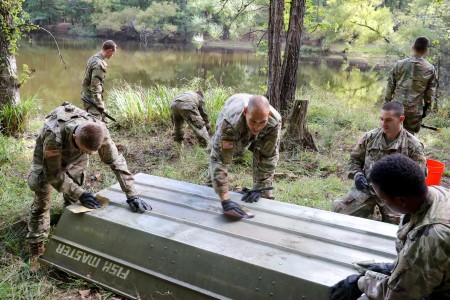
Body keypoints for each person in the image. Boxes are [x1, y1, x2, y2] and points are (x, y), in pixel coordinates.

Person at [27, 103, 150, 269]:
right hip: (48, 162)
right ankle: (36, 247)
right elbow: (53, 174)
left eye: (91, 153)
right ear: (76, 139)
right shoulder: (53, 136)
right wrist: (82, 193)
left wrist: (132, 193)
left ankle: (69, 226)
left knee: (75, 198)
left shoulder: (100, 130)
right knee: (42, 200)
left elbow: (116, 161)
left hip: (75, 156)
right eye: (86, 150)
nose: (89, 155)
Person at [330, 154, 450, 300]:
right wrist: (394, 267)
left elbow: (399, 296)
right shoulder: (439, 193)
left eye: (382, 199)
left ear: (402, 200)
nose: (382, 202)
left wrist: (360, 283)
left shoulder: (431, 236)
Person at [331, 102, 427, 224]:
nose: (383, 124)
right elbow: (354, 159)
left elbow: (418, 177)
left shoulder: (413, 146)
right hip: (367, 188)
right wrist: (357, 175)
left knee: (400, 227)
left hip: (394, 195)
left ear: (401, 119)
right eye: (381, 119)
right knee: (340, 216)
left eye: (388, 120)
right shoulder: (370, 137)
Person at [209, 94, 281, 218]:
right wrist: (225, 201)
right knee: (222, 161)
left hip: (256, 124)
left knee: (263, 192)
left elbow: (267, 157)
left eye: (262, 122)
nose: (257, 127)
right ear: (245, 112)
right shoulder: (229, 123)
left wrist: (260, 188)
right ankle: (211, 185)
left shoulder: (274, 122)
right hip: (234, 117)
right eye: (253, 121)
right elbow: (220, 160)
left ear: (268, 116)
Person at [384, 36, 437, 134]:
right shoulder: (430, 69)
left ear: (413, 47)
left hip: (396, 107)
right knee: (409, 137)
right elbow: (429, 94)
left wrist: (386, 104)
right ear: (426, 50)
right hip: (414, 109)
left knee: (393, 134)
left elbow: (390, 86)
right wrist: (427, 108)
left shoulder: (399, 64)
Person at [81, 40, 117, 118]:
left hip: (86, 95)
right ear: (109, 50)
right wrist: (99, 103)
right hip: (91, 98)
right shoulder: (99, 64)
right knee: (95, 122)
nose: (112, 55)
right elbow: (95, 85)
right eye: (113, 53)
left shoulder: (94, 58)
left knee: (100, 119)